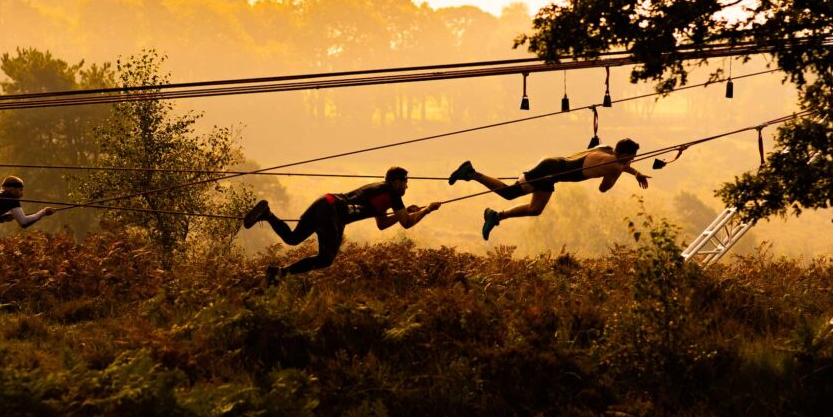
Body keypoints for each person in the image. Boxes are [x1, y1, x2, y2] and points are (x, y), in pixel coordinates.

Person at [243, 166, 440, 283]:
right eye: (405, 182)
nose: (407, 186)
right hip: (334, 213)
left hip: (326, 202)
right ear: (397, 181)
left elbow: (382, 223)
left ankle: (267, 214)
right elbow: (406, 224)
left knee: (293, 238)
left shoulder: (382, 192)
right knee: (326, 259)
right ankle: (281, 274)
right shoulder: (393, 192)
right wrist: (427, 210)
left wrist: (403, 213)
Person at [448, 139, 650, 240]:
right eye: (631, 157)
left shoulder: (605, 148)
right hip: (550, 171)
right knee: (509, 193)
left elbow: (619, 163)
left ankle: (496, 216)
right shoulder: (615, 168)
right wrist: (619, 173)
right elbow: (604, 189)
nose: (632, 160)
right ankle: (471, 173)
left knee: (535, 210)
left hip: (553, 166)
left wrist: (635, 172)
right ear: (625, 155)